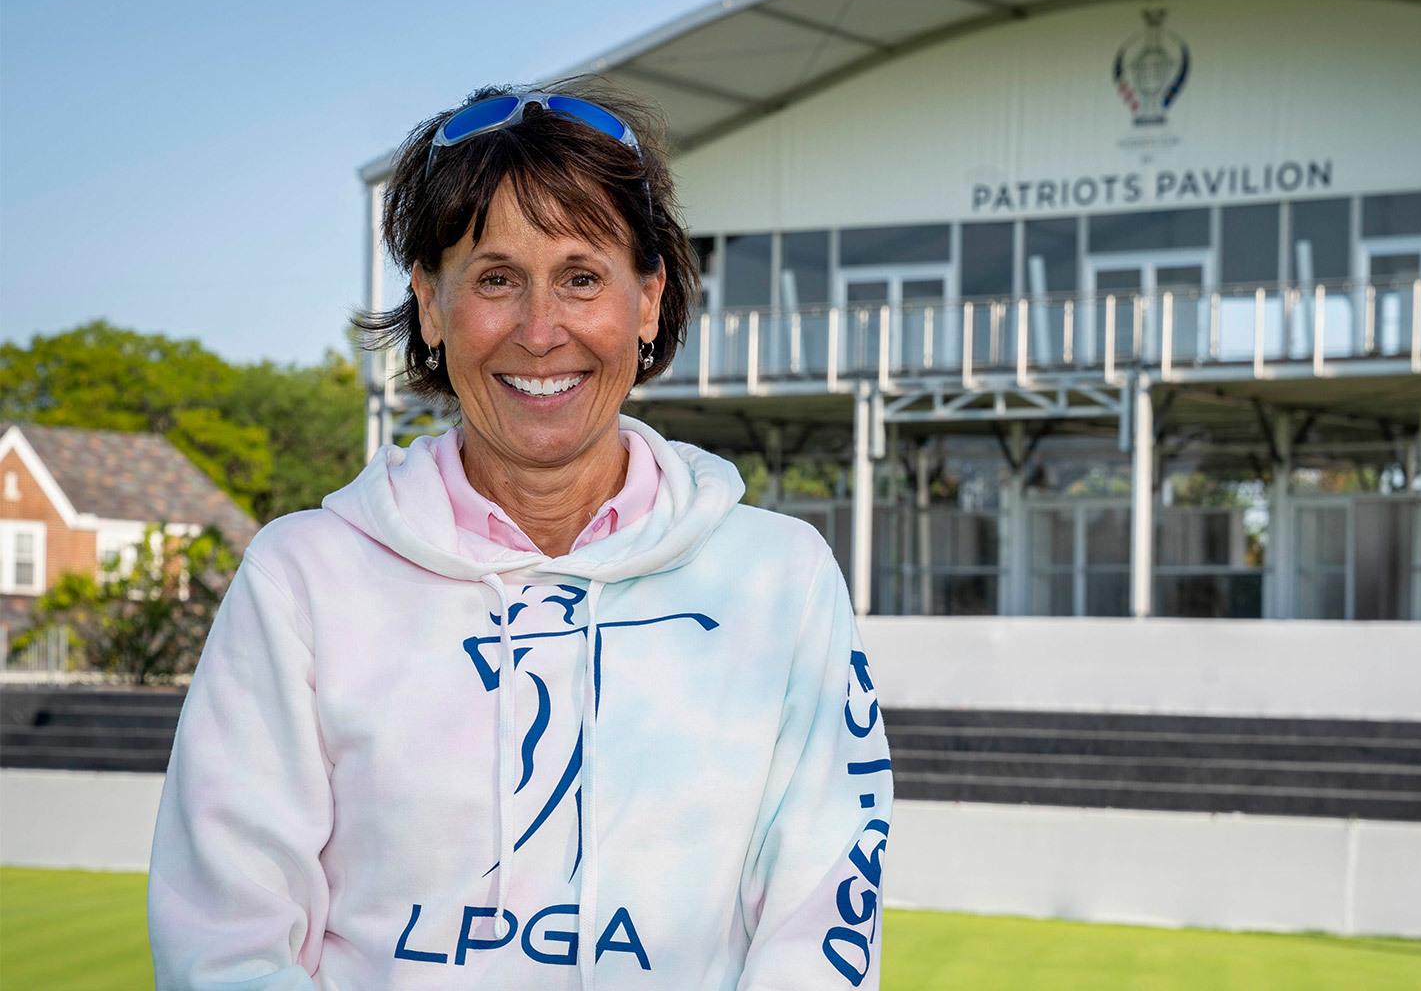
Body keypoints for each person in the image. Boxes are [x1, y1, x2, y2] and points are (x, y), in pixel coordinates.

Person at [146, 79, 893, 990]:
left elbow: (822, 918)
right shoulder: (302, 577)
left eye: (582, 277)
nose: (541, 332)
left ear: (649, 299)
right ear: (430, 302)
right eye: (496, 279)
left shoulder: (781, 579)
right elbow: (225, 940)